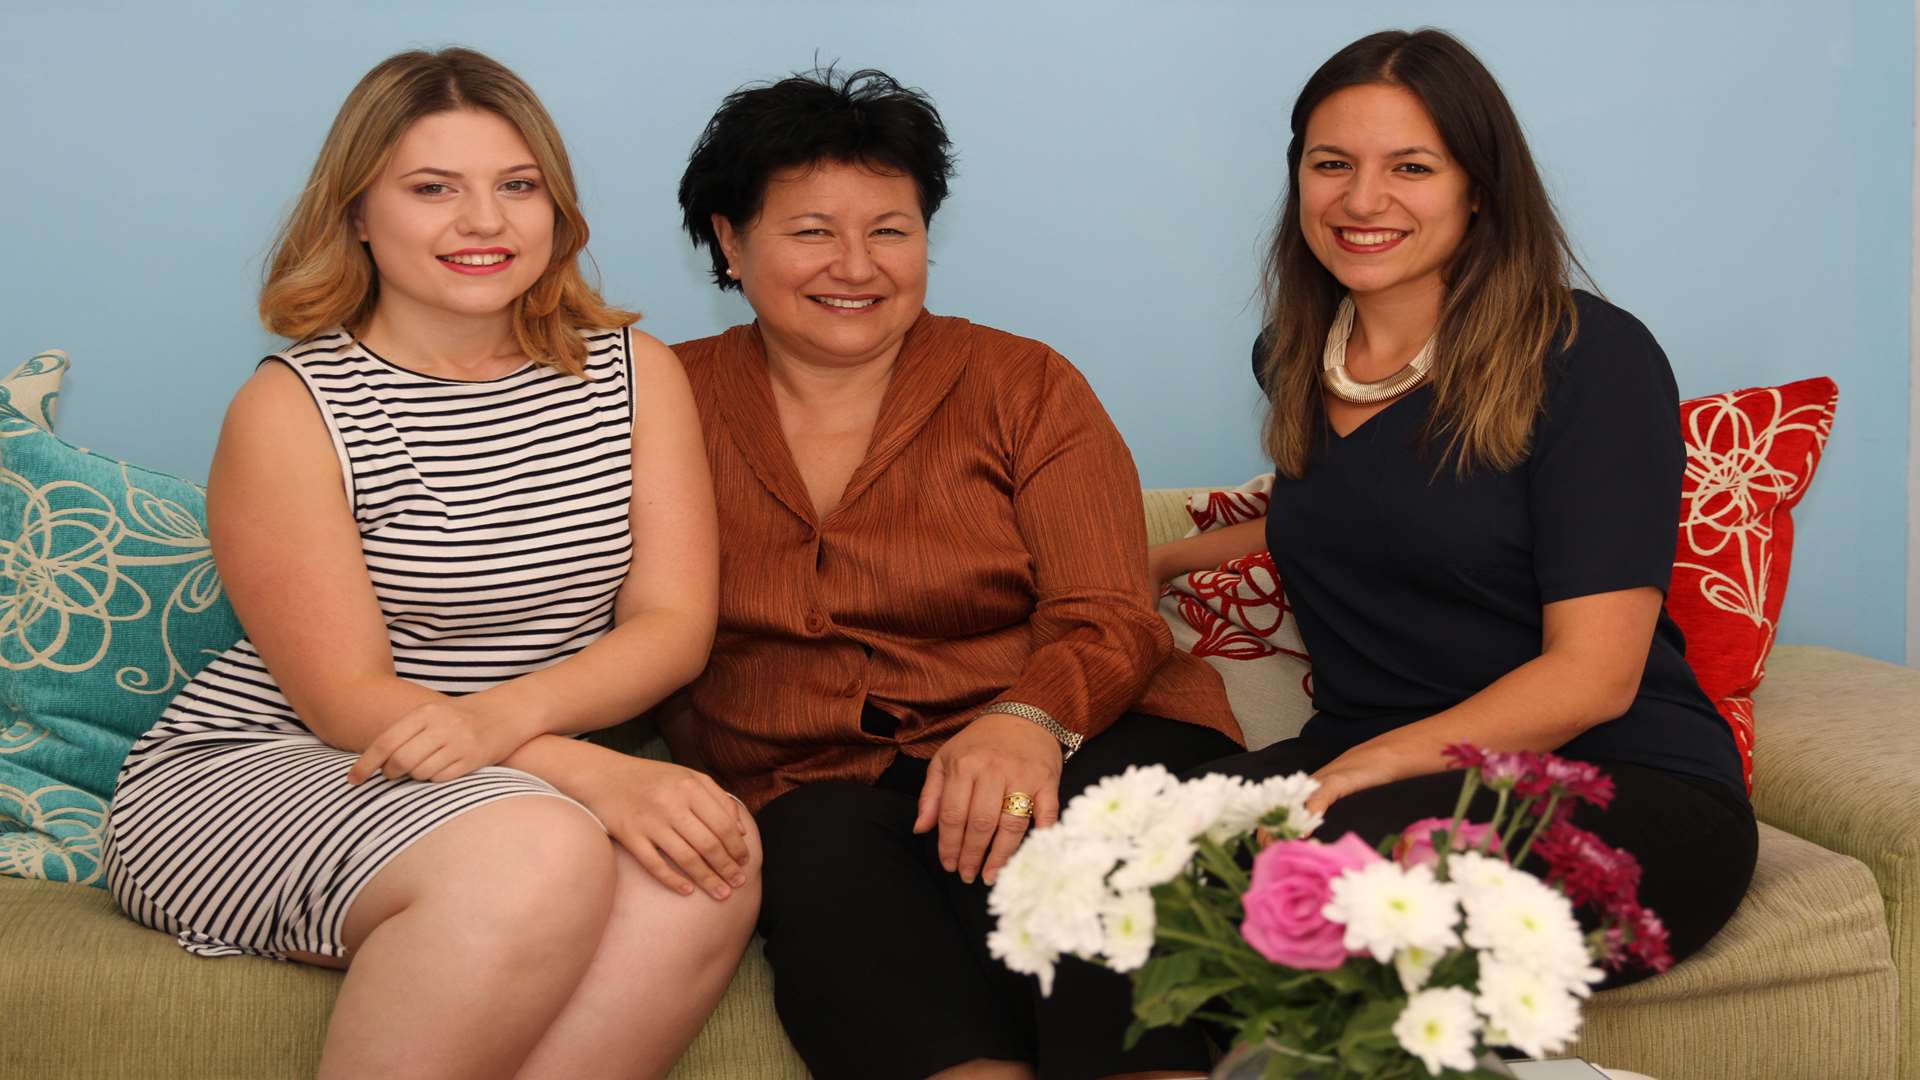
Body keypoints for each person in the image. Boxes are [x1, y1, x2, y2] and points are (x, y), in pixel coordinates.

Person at [103, 48, 758, 1080]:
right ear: (358, 212)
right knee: (541, 845)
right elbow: (343, 697)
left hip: (500, 779)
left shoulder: (638, 375)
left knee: (711, 860)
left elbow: (673, 625)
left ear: (557, 208)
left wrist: (505, 728)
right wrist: (584, 769)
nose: (484, 223)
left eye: (517, 186)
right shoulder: (292, 406)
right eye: (432, 189)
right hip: (279, 767)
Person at [666, 67, 1244, 1080]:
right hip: (816, 785)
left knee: (1097, 847)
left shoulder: (1025, 385)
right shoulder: (659, 402)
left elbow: (1110, 615)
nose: (857, 264)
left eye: (891, 229)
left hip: (1081, 743)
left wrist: (1026, 723)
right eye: (811, 231)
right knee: (819, 858)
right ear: (729, 241)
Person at [1152, 28, 1757, 982]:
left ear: (1479, 185)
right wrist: (1166, 559)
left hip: (1612, 784)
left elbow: (1594, 677)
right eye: (1332, 164)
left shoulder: (1588, 356)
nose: (1362, 200)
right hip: (1375, 759)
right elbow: (1390, 513)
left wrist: (1381, 763)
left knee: (1277, 895)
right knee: (1115, 877)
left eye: (1411, 167)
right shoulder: (1297, 358)